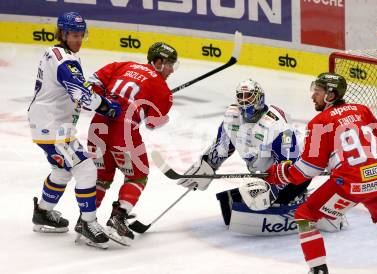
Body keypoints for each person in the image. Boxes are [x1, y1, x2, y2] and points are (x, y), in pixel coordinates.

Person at [265, 73, 377, 274]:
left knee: (305, 215)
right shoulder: (362, 110)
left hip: (349, 185)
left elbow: (309, 169)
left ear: (330, 95)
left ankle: (318, 271)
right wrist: (368, 166)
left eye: (318, 92)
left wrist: (278, 173)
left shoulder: (319, 123)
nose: (313, 96)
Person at [178, 79, 347, 235]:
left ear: (259, 98)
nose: (244, 101)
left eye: (249, 96)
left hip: (294, 176)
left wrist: (271, 191)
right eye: (240, 96)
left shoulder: (275, 124)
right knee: (231, 204)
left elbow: (291, 166)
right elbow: (221, 148)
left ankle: (306, 203)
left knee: (258, 200)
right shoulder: (232, 118)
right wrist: (206, 167)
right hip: (265, 174)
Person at [28, 12, 121, 249]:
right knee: (86, 168)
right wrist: (106, 106)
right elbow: (80, 92)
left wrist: (97, 96)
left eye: (81, 35)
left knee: (61, 171)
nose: (78, 40)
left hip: (51, 124)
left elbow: (78, 87)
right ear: (63, 33)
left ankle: (43, 213)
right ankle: (88, 223)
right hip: (52, 127)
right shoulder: (65, 60)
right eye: (73, 35)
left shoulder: (58, 53)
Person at [87, 42, 177, 245]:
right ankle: (117, 219)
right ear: (158, 62)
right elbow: (153, 123)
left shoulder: (122, 65)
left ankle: (86, 222)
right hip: (124, 133)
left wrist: (111, 101)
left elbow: (92, 83)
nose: (172, 69)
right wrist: (161, 109)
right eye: (170, 64)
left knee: (101, 177)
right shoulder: (163, 89)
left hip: (97, 127)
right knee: (138, 176)